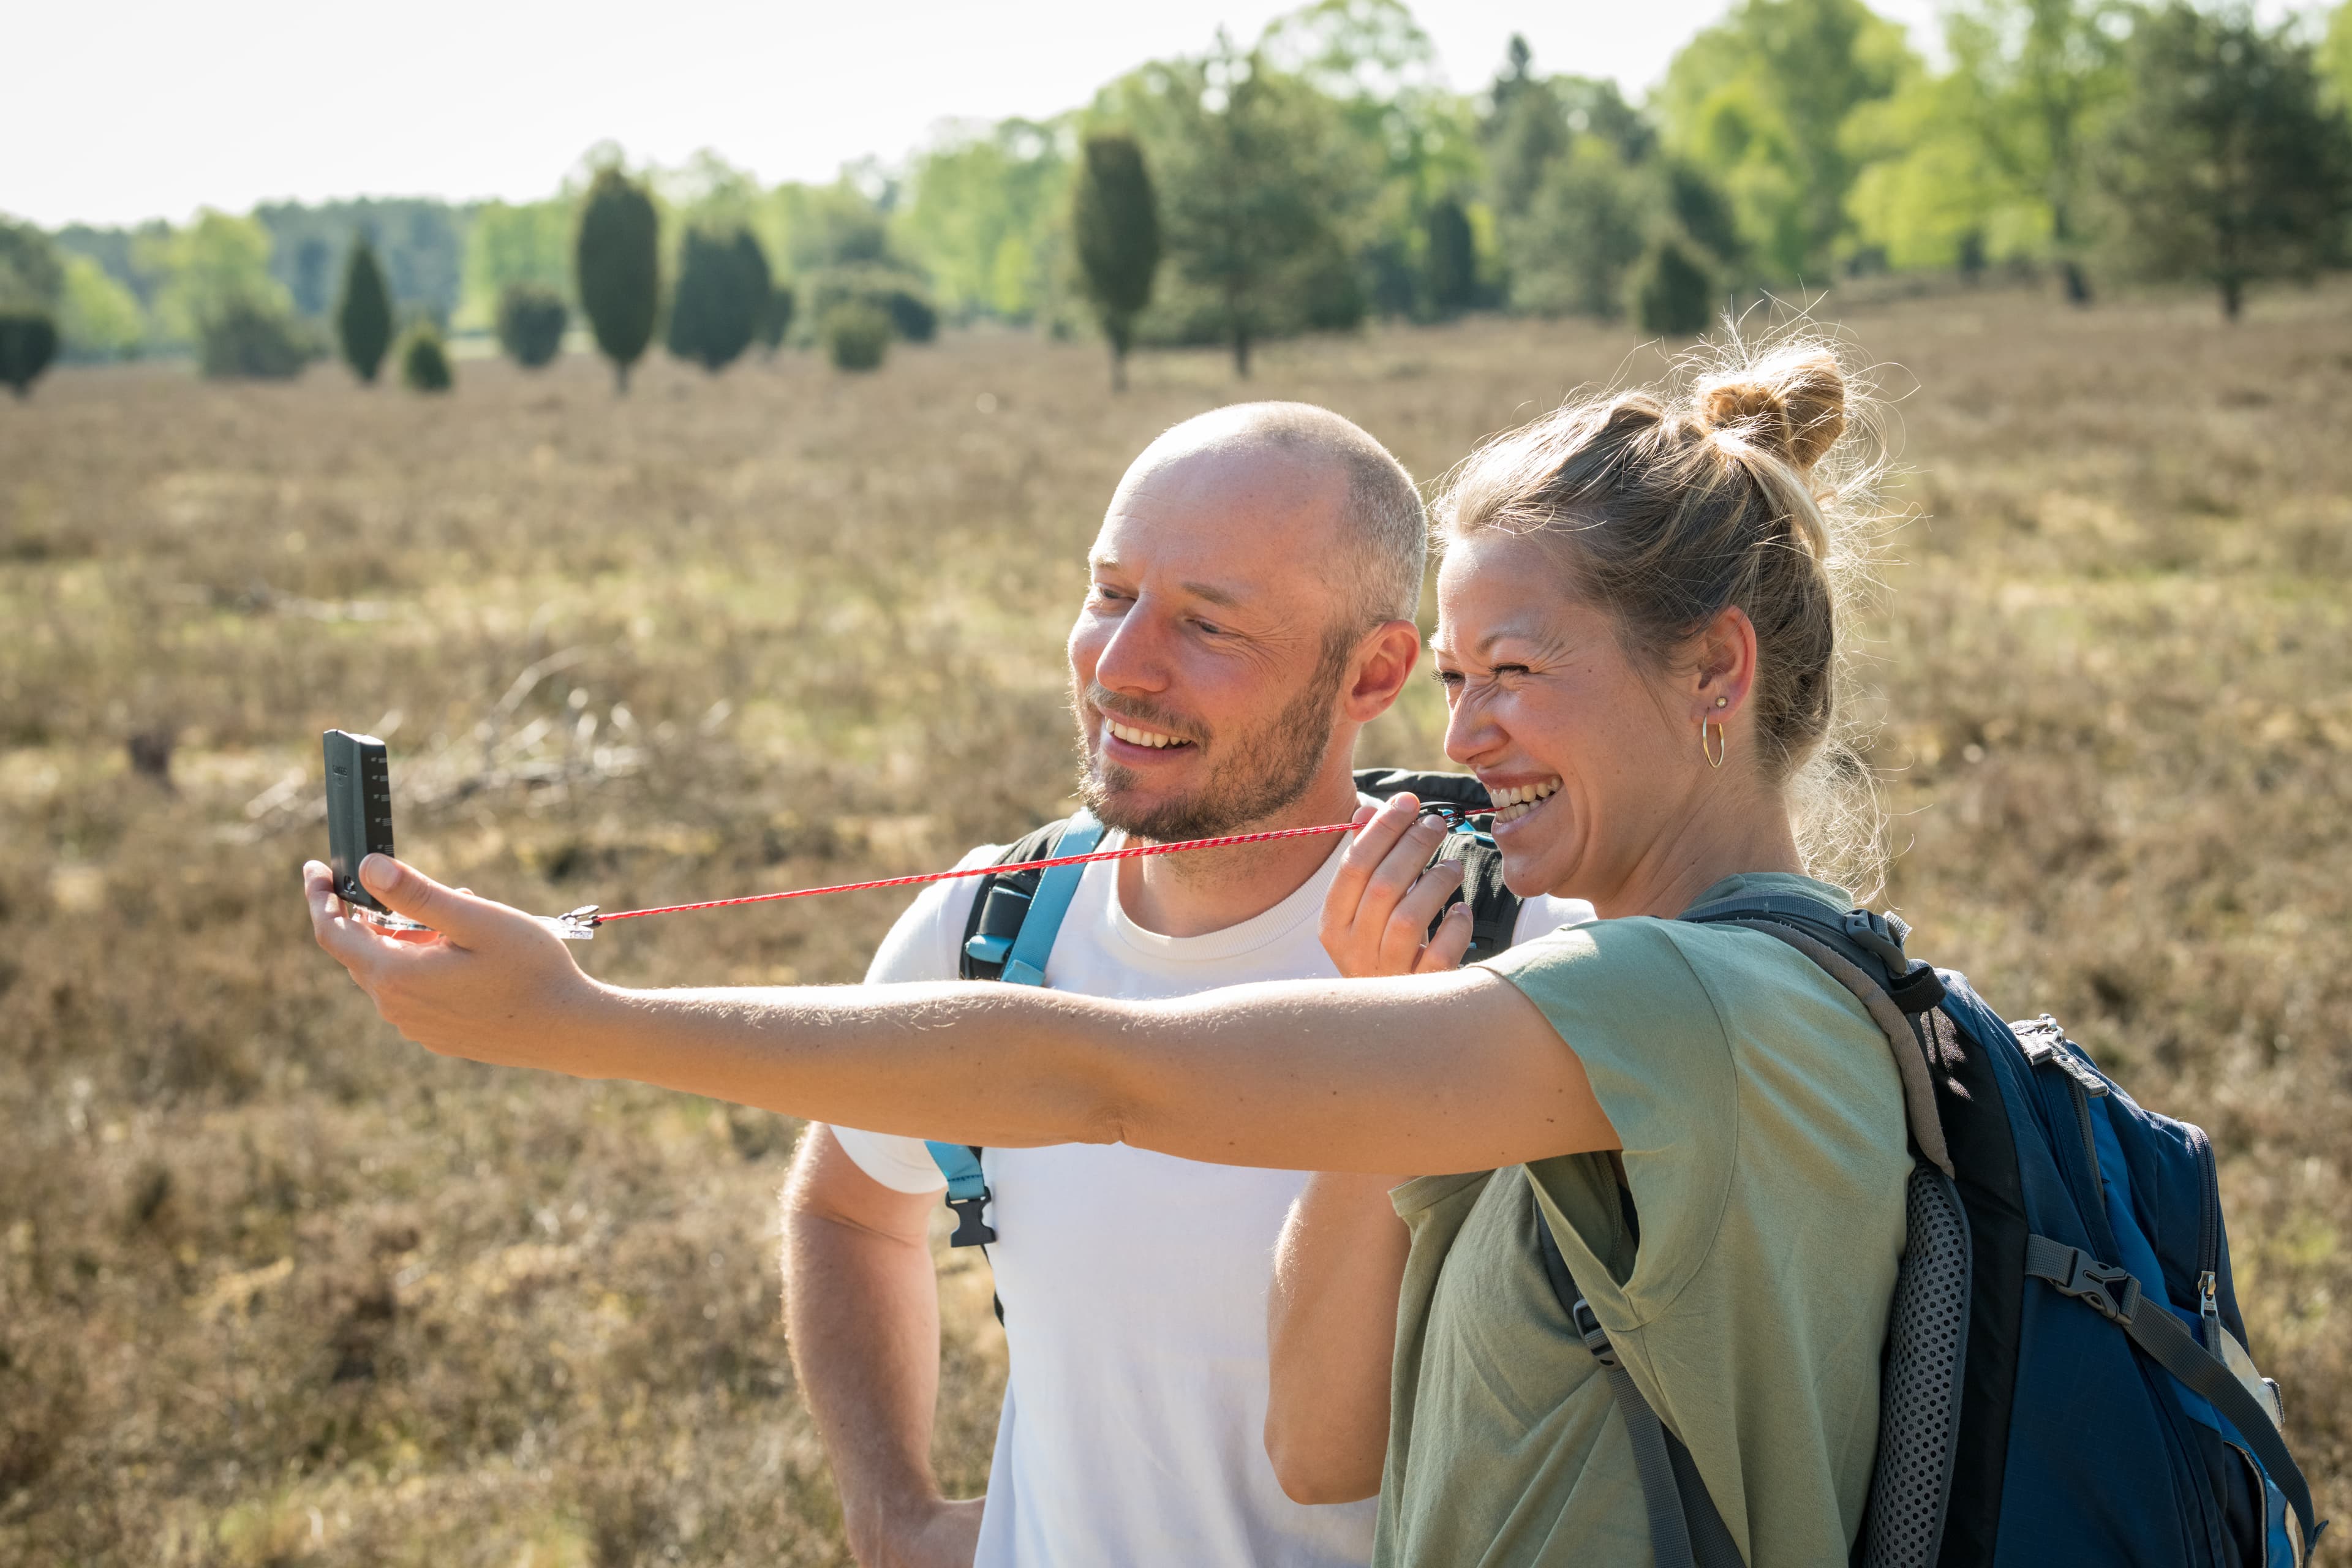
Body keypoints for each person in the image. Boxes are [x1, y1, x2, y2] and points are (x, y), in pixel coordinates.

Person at [307, 342, 1908, 1567]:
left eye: (1518, 673)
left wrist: (578, 1015)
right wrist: (895, 1514)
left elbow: (1105, 1080)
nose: (1469, 739)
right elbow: (1323, 1446)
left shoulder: (1640, 997)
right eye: (1460, 678)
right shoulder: (1453, 983)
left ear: (1716, 673)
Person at [785, 400, 1586, 1568]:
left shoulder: (1519, 948)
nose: (1120, 667)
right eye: (1110, 593)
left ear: (1373, 673)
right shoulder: (988, 929)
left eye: (1208, 625)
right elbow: (847, 1208)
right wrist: (888, 1510)